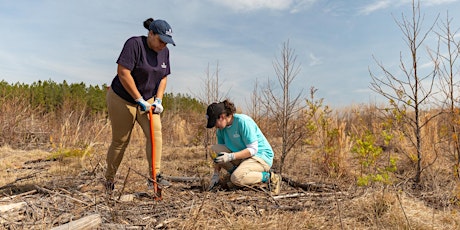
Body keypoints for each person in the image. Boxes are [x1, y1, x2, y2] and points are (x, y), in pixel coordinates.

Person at [104, 18, 175, 193]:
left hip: (149, 98)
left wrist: (158, 100)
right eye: (160, 41)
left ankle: (154, 176)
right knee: (120, 141)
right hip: (122, 98)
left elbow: (163, 77)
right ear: (151, 34)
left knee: (155, 134)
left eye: (166, 43)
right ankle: (109, 179)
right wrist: (138, 99)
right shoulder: (134, 44)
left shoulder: (164, 52)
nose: (163, 46)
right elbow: (123, 72)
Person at [205, 100, 282, 195]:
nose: (215, 126)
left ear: (222, 117)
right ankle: (238, 174)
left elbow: (253, 149)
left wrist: (230, 157)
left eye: (214, 122)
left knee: (236, 178)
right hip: (242, 157)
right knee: (214, 150)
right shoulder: (221, 129)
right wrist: (216, 174)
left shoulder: (243, 122)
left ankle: (269, 177)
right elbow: (219, 155)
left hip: (260, 156)